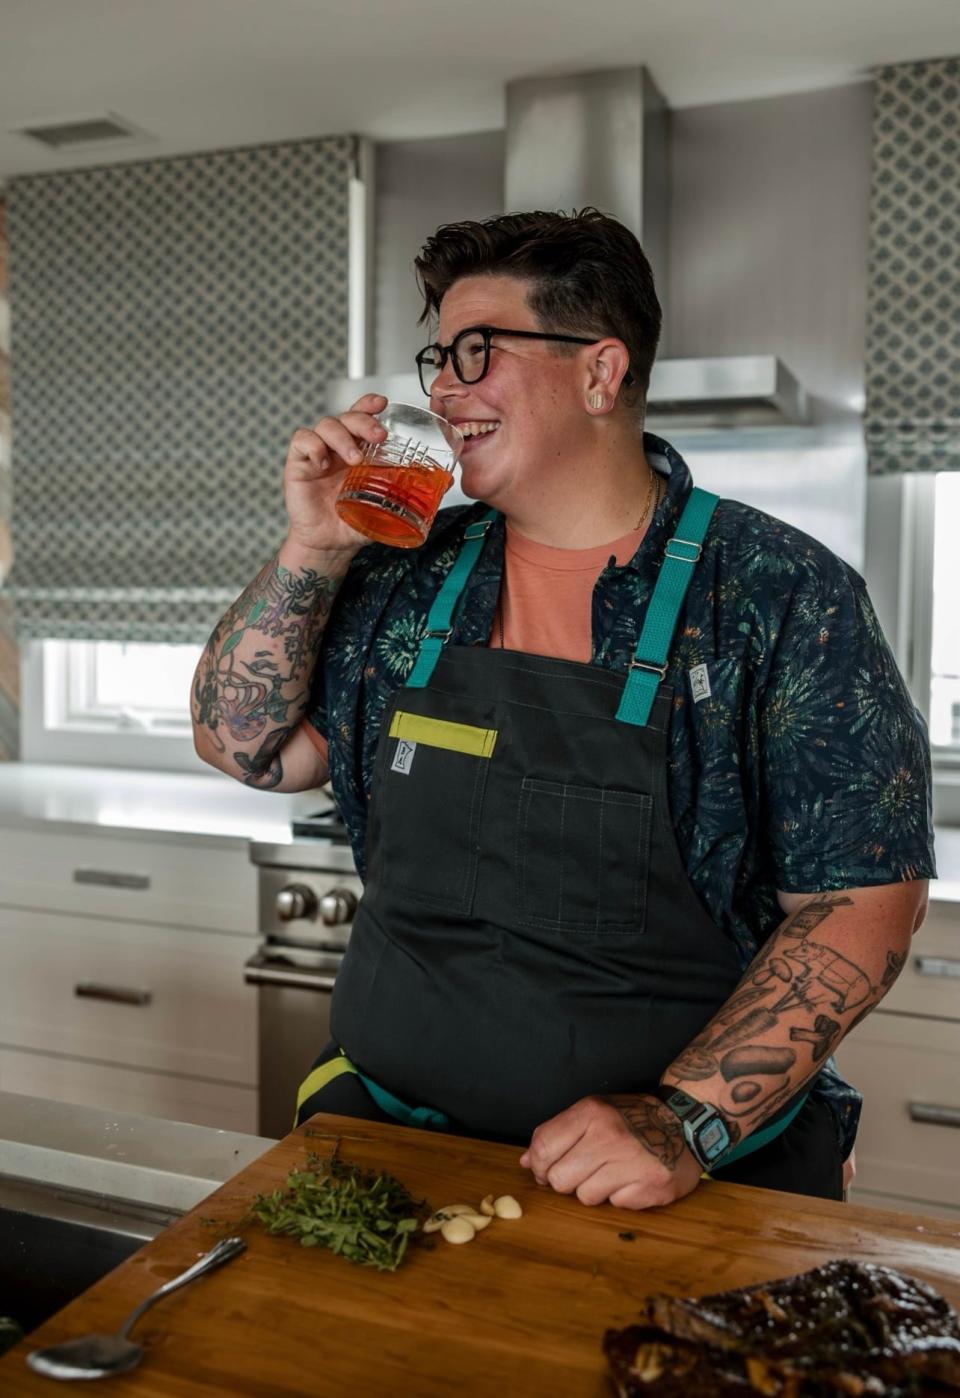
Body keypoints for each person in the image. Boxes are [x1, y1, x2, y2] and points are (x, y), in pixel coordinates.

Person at [192, 209, 935, 1210]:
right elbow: (240, 745)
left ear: (599, 372)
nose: (444, 390)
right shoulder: (403, 573)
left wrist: (685, 1121)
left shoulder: (777, 594)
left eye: (477, 353)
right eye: (438, 359)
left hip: (677, 1180)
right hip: (383, 1142)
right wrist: (314, 549)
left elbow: (863, 901)